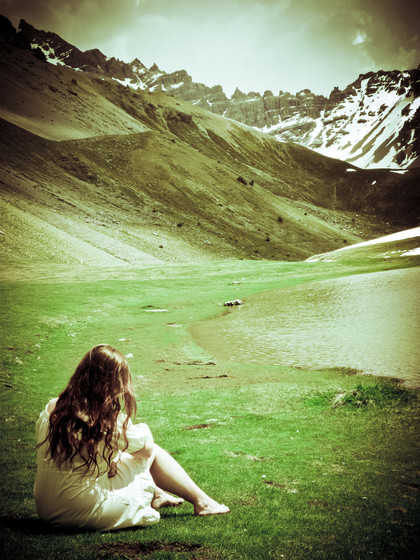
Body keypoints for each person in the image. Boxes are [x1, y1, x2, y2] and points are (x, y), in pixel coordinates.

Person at [34, 344, 229, 530]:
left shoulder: (52, 408)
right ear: (107, 383)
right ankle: (202, 502)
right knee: (150, 450)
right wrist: (140, 429)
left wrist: (110, 460)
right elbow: (147, 450)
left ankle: (158, 494)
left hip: (46, 508)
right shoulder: (100, 420)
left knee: (124, 455)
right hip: (80, 509)